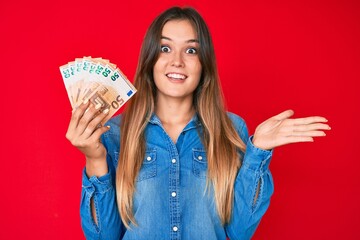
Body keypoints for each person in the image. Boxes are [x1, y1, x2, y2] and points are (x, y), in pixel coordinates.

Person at [66, 6, 330, 240]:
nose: (177, 61)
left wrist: (257, 152)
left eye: (191, 50)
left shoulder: (231, 129)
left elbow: (240, 231)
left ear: (204, 64)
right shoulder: (114, 133)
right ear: (150, 60)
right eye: (165, 48)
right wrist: (95, 159)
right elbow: (103, 237)